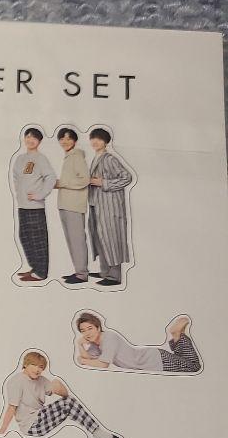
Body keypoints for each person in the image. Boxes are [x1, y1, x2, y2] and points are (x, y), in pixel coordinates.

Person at [0, 350, 126, 438]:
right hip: (32, 426)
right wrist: (2, 429)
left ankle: (97, 433)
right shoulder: (16, 381)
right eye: (34, 365)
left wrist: (58, 384)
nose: (37, 369)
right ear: (25, 364)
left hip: (40, 420)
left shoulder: (41, 380)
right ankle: (97, 432)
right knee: (68, 403)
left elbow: (65, 395)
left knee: (68, 403)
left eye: (41, 367)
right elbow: (11, 407)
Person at [75, 312, 201, 373]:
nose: (87, 333)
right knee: (182, 359)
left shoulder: (108, 338)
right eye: (83, 331)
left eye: (90, 328)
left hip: (154, 360)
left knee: (194, 367)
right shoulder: (96, 343)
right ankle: (178, 335)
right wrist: (80, 344)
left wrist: (83, 360)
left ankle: (176, 334)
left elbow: (102, 365)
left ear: (98, 328)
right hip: (151, 359)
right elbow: (89, 358)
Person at [87, 127, 133, 287]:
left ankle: (114, 276)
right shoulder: (96, 157)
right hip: (96, 204)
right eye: (93, 138)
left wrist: (104, 183)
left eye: (99, 139)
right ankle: (104, 271)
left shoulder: (109, 159)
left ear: (106, 142)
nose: (95, 141)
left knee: (111, 238)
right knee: (99, 238)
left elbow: (127, 177)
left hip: (109, 206)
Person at [11, 127, 56, 283]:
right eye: (28, 137)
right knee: (24, 237)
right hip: (23, 206)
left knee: (38, 240)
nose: (30, 140)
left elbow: (51, 177)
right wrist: (20, 193)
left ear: (39, 141)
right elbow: (16, 177)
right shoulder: (20, 159)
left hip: (36, 207)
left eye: (34, 138)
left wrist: (40, 195)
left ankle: (41, 273)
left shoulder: (40, 158)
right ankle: (35, 268)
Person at [53, 127, 92, 283]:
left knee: (77, 239)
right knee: (71, 240)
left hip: (74, 205)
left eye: (69, 138)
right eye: (62, 138)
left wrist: (62, 183)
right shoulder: (68, 157)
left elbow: (85, 179)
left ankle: (82, 274)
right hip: (65, 204)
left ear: (75, 141)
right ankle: (78, 272)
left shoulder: (77, 156)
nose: (65, 141)